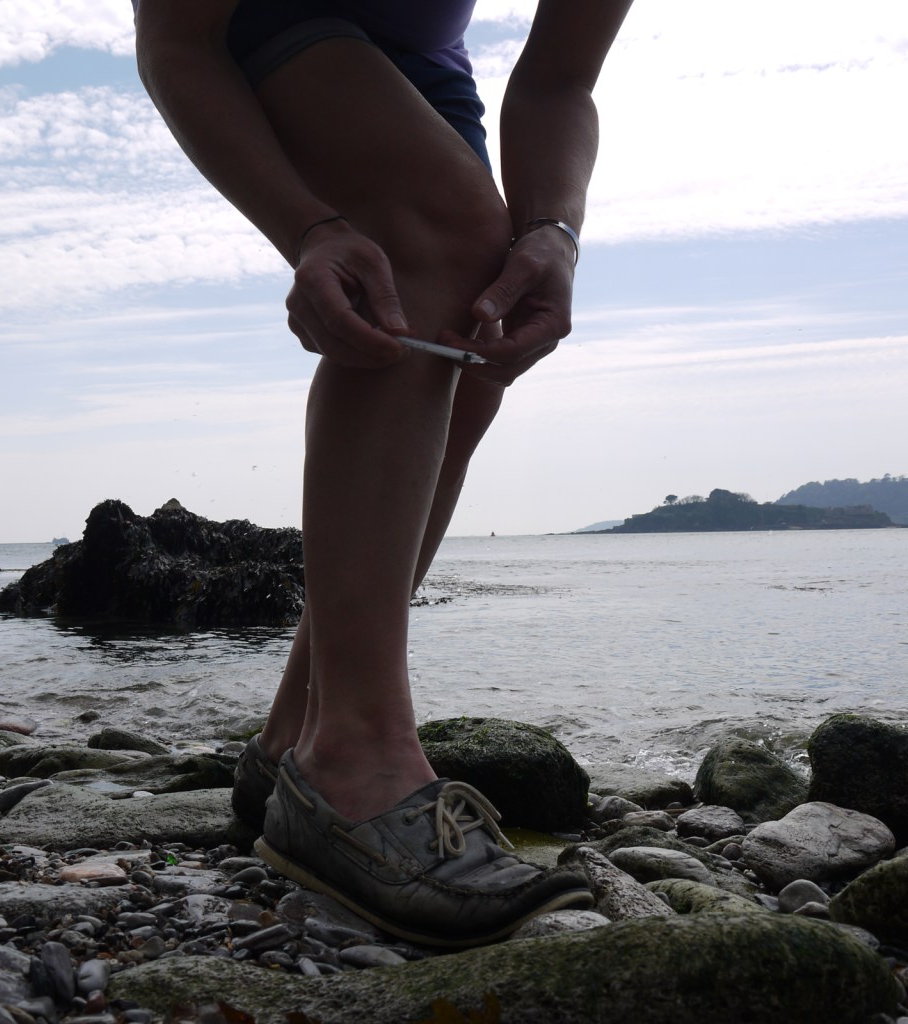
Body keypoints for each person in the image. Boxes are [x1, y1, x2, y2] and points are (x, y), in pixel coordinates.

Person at [133, 0, 632, 947]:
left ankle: (293, 747)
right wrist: (309, 230)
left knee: (472, 337)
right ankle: (355, 759)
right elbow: (177, 41)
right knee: (436, 237)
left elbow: (559, 80)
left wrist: (554, 232)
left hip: (424, 60)